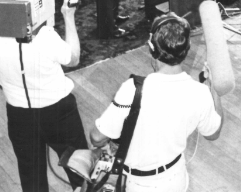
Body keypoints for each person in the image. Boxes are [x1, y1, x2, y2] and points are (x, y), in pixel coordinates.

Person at [0, 0, 88, 192]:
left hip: (19, 116)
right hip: (58, 112)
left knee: (31, 179)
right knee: (80, 171)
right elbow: (73, 58)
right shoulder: (46, 38)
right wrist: (68, 16)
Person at [90, 12, 223, 192]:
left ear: (151, 47)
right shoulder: (200, 92)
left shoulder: (132, 90)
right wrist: (213, 88)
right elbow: (213, 133)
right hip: (176, 180)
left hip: (137, 185)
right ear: (187, 48)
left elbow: (97, 137)